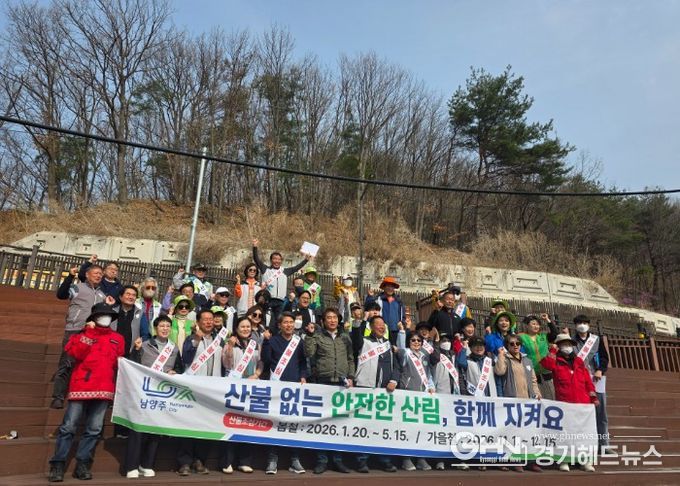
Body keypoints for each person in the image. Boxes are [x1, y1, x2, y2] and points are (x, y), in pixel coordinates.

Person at [47, 303, 125, 482]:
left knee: (94, 429)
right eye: (102, 315)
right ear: (94, 318)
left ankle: (82, 463)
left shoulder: (118, 338)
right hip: (81, 385)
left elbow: (118, 362)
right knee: (68, 427)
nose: (105, 318)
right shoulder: (81, 335)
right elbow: (76, 354)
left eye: (108, 315)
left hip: (104, 387)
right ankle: (58, 464)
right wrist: (88, 333)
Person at [125, 316, 182, 478]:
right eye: (162, 326)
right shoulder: (144, 345)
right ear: (155, 328)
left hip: (162, 395)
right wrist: (135, 350)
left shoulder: (174, 348)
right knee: (137, 429)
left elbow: (180, 368)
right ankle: (131, 466)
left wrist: (175, 372)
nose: (165, 329)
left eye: (168, 326)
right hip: (143, 392)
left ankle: (147, 464)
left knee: (155, 430)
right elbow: (132, 365)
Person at [51, 264, 110, 409]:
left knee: (85, 365)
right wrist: (70, 276)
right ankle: (58, 397)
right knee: (66, 363)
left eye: (100, 274)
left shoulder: (102, 295)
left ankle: (78, 397)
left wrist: (108, 305)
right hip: (75, 330)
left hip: (93, 333)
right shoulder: (78, 288)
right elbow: (61, 295)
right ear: (87, 275)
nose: (98, 276)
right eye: (95, 273)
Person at [303, 308, 354, 474]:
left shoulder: (345, 337)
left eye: (335, 318)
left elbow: (350, 358)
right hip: (323, 383)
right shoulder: (318, 336)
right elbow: (308, 353)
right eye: (329, 318)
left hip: (342, 384)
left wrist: (351, 376)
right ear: (323, 321)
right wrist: (310, 335)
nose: (332, 320)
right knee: (322, 423)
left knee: (339, 423)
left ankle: (338, 460)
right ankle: (322, 460)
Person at [540, 333, 599, 472]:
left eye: (569, 344)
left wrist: (593, 397)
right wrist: (552, 350)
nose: (567, 347)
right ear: (558, 346)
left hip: (583, 403)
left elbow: (587, 381)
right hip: (565, 403)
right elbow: (546, 365)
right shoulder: (555, 360)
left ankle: (585, 460)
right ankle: (564, 460)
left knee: (583, 433)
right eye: (564, 344)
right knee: (565, 433)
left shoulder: (579, 361)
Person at [350, 315, 399, 473]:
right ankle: (361, 460)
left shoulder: (388, 344)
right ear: (371, 327)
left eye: (383, 324)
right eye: (377, 324)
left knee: (383, 426)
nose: (381, 327)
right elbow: (356, 337)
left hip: (385, 391)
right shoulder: (364, 341)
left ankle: (385, 459)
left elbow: (396, 366)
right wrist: (358, 322)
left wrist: (394, 380)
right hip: (365, 388)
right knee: (364, 425)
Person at [261, 312, 308, 475]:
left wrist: (303, 376)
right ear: (280, 325)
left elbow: (303, 362)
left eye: (291, 322)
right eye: (285, 322)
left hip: (294, 388)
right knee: (275, 423)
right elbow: (266, 360)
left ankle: (295, 459)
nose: (289, 325)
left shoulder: (298, 341)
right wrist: (266, 342)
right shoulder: (273, 340)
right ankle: (272, 459)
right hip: (276, 388)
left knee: (294, 424)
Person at [176, 309, 220, 476]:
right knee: (188, 425)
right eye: (205, 319)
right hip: (193, 390)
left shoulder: (219, 340)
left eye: (211, 319)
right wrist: (196, 339)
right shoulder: (191, 339)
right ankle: (184, 462)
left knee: (206, 426)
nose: (209, 322)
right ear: (198, 322)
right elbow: (186, 358)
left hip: (212, 391)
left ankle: (200, 460)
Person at [219, 316, 262, 474]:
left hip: (251, 386)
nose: (245, 329)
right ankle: (227, 461)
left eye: (248, 327)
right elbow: (226, 364)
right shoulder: (230, 343)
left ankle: (245, 461)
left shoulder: (255, 344)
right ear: (236, 329)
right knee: (231, 422)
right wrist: (230, 346)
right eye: (242, 327)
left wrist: (256, 374)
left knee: (249, 424)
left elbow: (261, 362)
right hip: (234, 388)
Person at [395, 330, 434, 471]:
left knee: (421, 428)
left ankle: (420, 458)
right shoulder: (405, 353)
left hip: (422, 395)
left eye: (419, 340)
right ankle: (406, 458)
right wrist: (402, 331)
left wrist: (431, 386)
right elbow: (400, 348)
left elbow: (428, 374)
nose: (416, 342)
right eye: (413, 340)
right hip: (408, 394)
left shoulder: (424, 356)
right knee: (407, 428)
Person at [572, 315, 610, 452]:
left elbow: (604, 357)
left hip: (595, 379)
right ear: (575, 326)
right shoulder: (571, 341)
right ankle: (586, 444)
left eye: (584, 323)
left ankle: (604, 445)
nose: (582, 325)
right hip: (579, 381)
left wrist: (600, 370)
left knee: (601, 412)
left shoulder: (596, 339)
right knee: (582, 412)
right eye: (579, 323)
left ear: (589, 325)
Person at [252, 238, 310, 321]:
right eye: (275, 259)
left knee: (279, 321)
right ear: (271, 260)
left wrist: (306, 260)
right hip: (268, 300)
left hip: (281, 302)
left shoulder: (284, 271)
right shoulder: (265, 269)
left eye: (279, 259)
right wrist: (255, 247)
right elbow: (256, 259)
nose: (277, 261)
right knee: (266, 320)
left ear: (281, 261)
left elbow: (296, 267)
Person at [517, 313, 559, 401]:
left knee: (552, 394)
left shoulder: (543, 336)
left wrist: (547, 320)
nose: (536, 326)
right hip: (532, 372)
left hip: (547, 370)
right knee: (537, 397)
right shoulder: (521, 337)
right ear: (527, 326)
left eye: (537, 324)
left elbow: (555, 334)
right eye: (533, 324)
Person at [364, 276, 404, 345]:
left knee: (395, 348)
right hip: (382, 330)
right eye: (388, 286)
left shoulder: (398, 301)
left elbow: (402, 315)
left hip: (395, 330)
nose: (390, 288)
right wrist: (370, 297)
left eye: (392, 286)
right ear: (384, 287)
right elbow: (368, 306)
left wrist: (402, 324)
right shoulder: (378, 299)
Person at [136, 277, 163, 342]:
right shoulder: (135, 302)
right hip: (137, 335)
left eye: (153, 288)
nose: (150, 290)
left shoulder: (159, 306)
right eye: (148, 287)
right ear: (142, 289)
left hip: (152, 338)